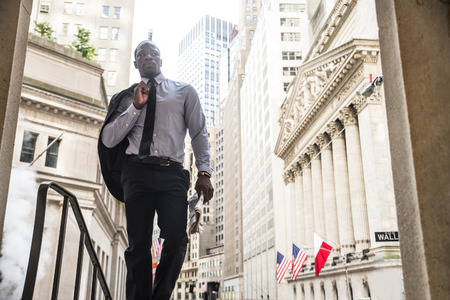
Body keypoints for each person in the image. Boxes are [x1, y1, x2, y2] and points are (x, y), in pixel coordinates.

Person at [98, 40, 213, 300]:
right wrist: (135, 107)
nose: (148, 57)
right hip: (136, 173)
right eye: (142, 54)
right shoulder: (126, 97)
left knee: (176, 238)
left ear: (161, 61)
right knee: (138, 245)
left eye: (154, 54)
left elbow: (199, 133)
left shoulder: (184, 92)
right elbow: (108, 140)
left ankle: (159, 296)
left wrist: (204, 172)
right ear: (136, 63)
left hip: (171, 173)